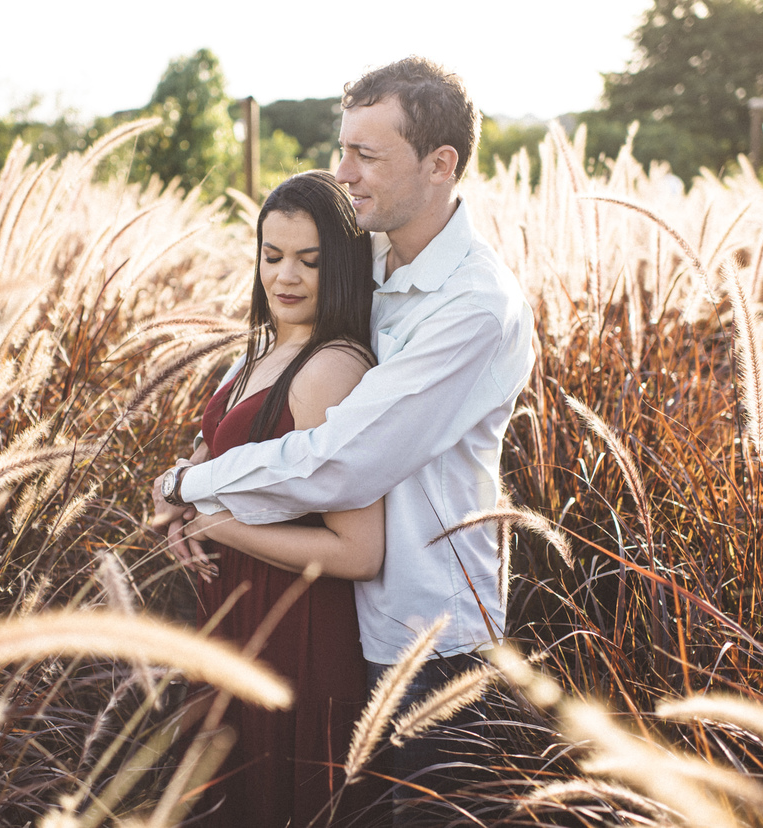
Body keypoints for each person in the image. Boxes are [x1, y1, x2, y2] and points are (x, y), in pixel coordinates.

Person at [155, 57, 536, 822]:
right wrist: (197, 460)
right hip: (326, 616)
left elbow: (343, 462)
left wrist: (191, 491)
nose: (344, 172)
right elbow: (277, 361)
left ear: (440, 164)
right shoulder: (365, 258)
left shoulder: (472, 306)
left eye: (367, 154)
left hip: (423, 638)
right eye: (343, 149)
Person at [163, 170, 387, 828]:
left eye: (309, 261)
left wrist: (217, 527)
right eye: (272, 255)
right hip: (234, 610)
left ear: (341, 265)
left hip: (294, 625)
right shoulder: (264, 349)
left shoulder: (331, 368)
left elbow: (359, 551)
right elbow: (215, 457)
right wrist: (179, 497)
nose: (285, 276)